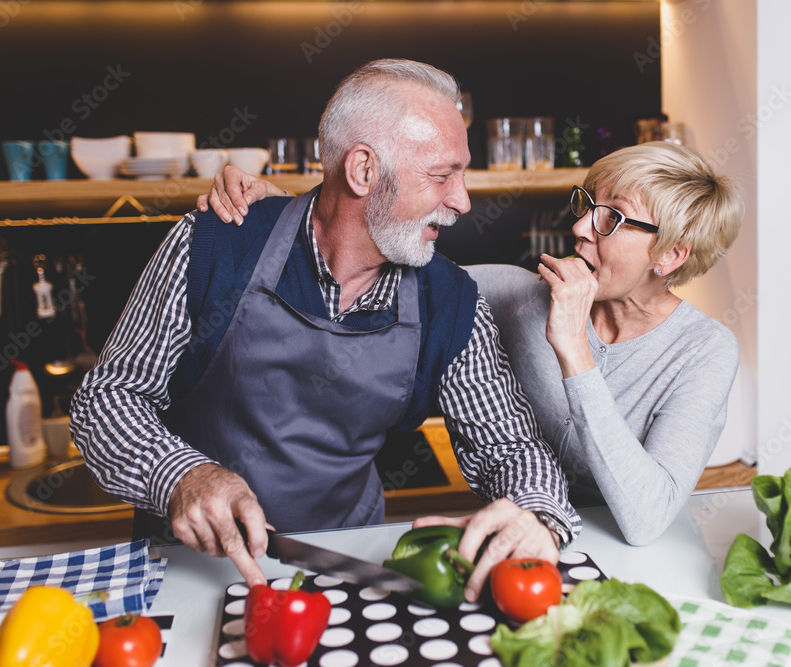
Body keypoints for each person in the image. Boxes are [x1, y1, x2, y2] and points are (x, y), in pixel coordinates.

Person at [71, 59, 579, 601]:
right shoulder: (215, 245)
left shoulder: (449, 301)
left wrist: (539, 516)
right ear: (362, 170)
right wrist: (180, 477)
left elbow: (509, 444)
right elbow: (107, 398)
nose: (462, 201)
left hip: (348, 567)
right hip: (189, 572)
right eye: (440, 176)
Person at [203, 140, 744, 546]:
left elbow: (647, 518)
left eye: (612, 218)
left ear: (671, 255)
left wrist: (574, 354)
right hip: (517, 540)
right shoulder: (518, 294)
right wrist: (298, 214)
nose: (581, 227)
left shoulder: (704, 352)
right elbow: (406, 271)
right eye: (586, 205)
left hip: (626, 553)